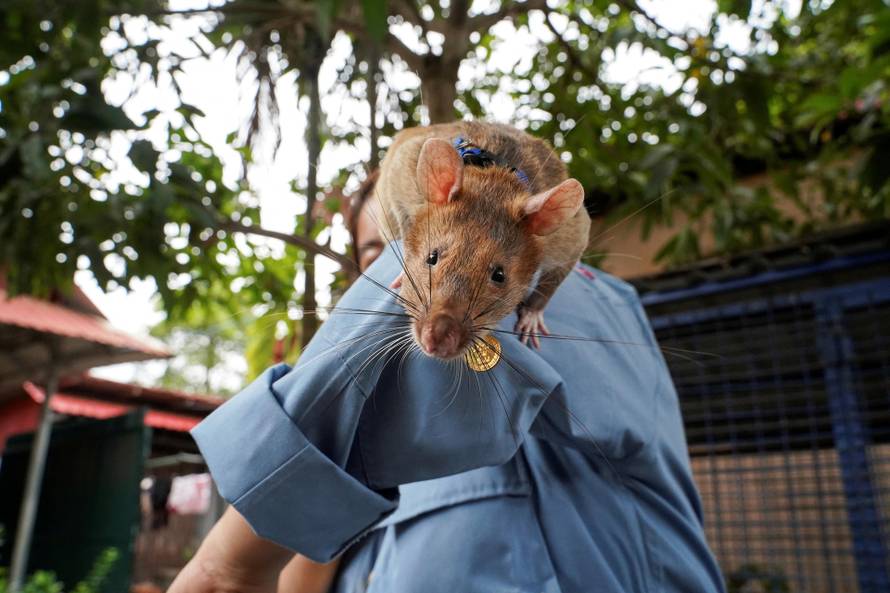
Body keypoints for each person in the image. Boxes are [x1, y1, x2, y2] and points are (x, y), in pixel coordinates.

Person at [168, 166, 726, 593]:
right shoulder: (376, 412)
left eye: (393, 254)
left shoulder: (573, 295)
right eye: (378, 256)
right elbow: (312, 562)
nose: (387, 275)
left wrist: (226, 565)